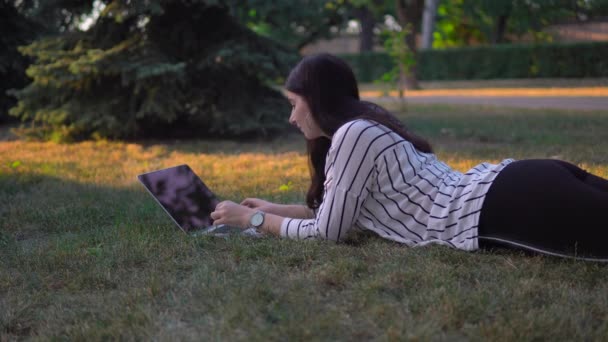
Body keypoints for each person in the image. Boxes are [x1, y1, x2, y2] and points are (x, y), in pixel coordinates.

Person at [210, 53, 608, 261]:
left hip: (504, 205)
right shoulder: (363, 127)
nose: (291, 116)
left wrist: (255, 220)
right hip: (517, 183)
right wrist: (276, 208)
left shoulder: (352, 134)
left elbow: (328, 233)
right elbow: (340, 213)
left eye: (295, 104)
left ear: (316, 102)